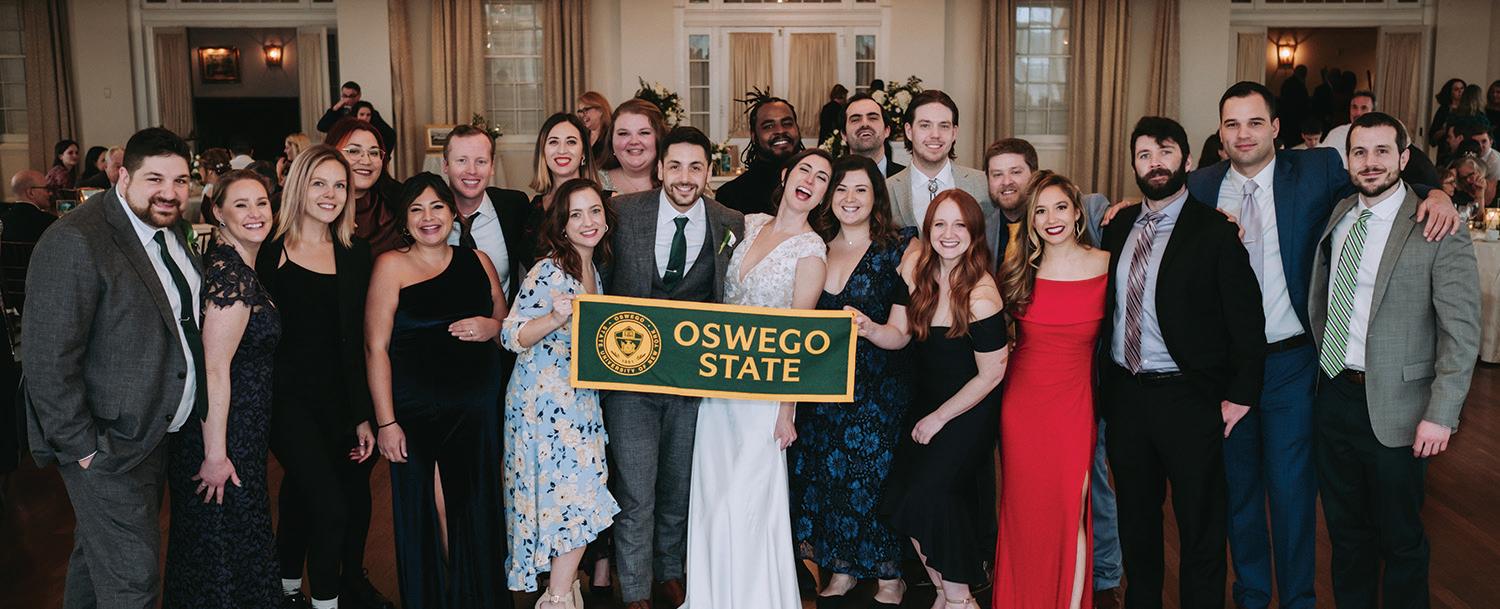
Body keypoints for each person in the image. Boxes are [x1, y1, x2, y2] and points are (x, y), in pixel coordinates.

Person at [1181, 81, 1458, 609]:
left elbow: (1386, 171)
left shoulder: (1316, 169)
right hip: (1227, 370)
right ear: (1220, 132)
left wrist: (1437, 193)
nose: (1244, 134)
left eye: (1255, 122)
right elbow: (1158, 206)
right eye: (1232, 124)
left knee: (1292, 495)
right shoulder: (1200, 185)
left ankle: (1299, 601)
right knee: (1238, 492)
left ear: (1275, 128)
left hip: (1292, 363)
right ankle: (1252, 595)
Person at [24, 127, 202, 609]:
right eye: (155, 179)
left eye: (180, 180)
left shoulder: (169, 228)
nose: (170, 192)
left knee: (94, 560)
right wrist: (84, 448)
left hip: (155, 432)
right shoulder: (76, 239)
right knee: (134, 581)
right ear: (123, 177)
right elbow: (47, 358)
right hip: (105, 441)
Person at [1311, 111, 1480, 609]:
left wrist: (1442, 413)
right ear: (1347, 161)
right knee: (1346, 536)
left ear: (1404, 158)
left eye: (1383, 151)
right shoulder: (1339, 213)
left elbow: (1461, 331)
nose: (1371, 162)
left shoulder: (1436, 224)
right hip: (1333, 396)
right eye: (1360, 152)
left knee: (1401, 539)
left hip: (1400, 409)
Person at [1101, 116, 1265, 609]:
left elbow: (1246, 319)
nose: (1155, 163)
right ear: (1134, 166)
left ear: (1188, 161)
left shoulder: (1215, 230)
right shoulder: (1117, 226)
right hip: (1127, 397)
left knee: (1200, 525)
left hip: (1189, 398)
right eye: (1144, 155)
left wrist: (1241, 394)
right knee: (1136, 522)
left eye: (1165, 151)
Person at [682, 147, 831, 609]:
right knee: (712, 497)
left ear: (823, 196)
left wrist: (787, 411)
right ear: (786, 175)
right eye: (805, 170)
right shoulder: (747, 225)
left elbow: (798, 340)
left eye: (822, 178)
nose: (810, 180)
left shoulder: (812, 251)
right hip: (719, 387)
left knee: (744, 501)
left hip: (764, 397)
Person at [605, 126, 744, 609]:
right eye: (676, 166)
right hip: (628, 379)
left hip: (691, 380)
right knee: (635, 491)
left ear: (709, 172)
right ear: (660, 168)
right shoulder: (622, 213)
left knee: (679, 486)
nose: (685, 178)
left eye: (696, 167)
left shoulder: (730, 222)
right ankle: (635, 589)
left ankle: (669, 572)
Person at [366, 172, 510, 609]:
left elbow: (508, 326)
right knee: (436, 507)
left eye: (437, 207)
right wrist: (386, 422)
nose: (428, 217)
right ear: (404, 220)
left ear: (452, 213)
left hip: (477, 407)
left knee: (476, 502)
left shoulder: (478, 260)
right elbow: (375, 348)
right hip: (418, 411)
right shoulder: (390, 265)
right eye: (416, 209)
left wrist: (491, 327)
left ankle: (480, 598)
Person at [255, 145, 390, 609]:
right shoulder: (269, 251)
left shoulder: (356, 253)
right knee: (331, 507)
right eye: (319, 183)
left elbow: (356, 341)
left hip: (339, 402)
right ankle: (325, 603)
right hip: (285, 402)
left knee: (300, 494)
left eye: (339, 185)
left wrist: (363, 415)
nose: (330, 194)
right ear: (299, 187)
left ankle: (287, 590)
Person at [790, 155, 915, 608]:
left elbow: (902, 332)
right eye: (841, 189)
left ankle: (889, 574)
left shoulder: (900, 248)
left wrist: (871, 329)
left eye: (861, 189)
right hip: (822, 390)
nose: (849, 198)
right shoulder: (815, 246)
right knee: (827, 478)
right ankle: (840, 568)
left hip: (878, 390)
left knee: (873, 480)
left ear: (876, 196)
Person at [881, 188, 1007, 609]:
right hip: (928, 400)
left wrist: (939, 418)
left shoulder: (982, 294)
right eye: (940, 224)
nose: (949, 234)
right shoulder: (920, 274)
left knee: (930, 495)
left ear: (974, 233)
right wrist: (866, 327)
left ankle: (959, 598)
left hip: (968, 409)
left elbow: (992, 374)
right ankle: (943, 591)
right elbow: (898, 334)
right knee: (900, 495)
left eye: (959, 225)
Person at [162, 169, 281, 609]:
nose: (255, 213)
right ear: (218, 212)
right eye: (241, 205)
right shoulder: (231, 276)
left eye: (261, 203)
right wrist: (215, 455)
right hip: (221, 436)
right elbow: (213, 368)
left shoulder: (237, 267)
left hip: (239, 432)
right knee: (222, 550)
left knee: (230, 543)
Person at [992, 170, 1110, 609]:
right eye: (1040, 211)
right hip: (1022, 408)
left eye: (1060, 207)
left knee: (1068, 512)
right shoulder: (1018, 270)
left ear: (1078, 212)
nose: (1051, 219)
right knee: (1024, 515)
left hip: (1074, 407)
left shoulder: (1107, 263)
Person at [501, 178, 621, 607]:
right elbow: (510, 335)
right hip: (543, 407)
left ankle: (560, 595)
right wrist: (553, 318)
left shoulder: (593, 270)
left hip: (579, 405)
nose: (588, 222)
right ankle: (557, 598)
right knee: (573, 504)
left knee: (578, 505)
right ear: (562, 225)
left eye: (595, 211)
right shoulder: (549, 271)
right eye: (576, 214)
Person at [442, 124, 530, 301]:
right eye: (462, 161)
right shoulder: (430, 218)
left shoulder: (514, 207)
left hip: (504, 316)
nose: (472, 170)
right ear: (445, 165)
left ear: (492, 167)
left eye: (481, 161)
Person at [887, 90, 992, 233]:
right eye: (925, 125)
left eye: (944, 126)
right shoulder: (887, 190)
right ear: (909, 131)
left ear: (954, 133)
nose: (935, 135)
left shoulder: (983, 184)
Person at [1319, 90, 1441, 188]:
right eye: (1354, 107)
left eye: (1364, 108)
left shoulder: (1387, 132)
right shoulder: (1336, 134)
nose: (1358, 113)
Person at [522, 113, 597, 272]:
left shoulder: (609, 203)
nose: (562, 150)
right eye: (553, 142)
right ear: (543, 152)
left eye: (571, 142)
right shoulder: (531, 209)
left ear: (584, 153)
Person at [327, 117, 405, 256]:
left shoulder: (400, 201)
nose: (366, 161)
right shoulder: (316, 209)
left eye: (374, 153)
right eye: (354, 151)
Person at [716, 93, 804, 216]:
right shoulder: (731, 195)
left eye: (787, 123)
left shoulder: (816, 184)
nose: (780, 130)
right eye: (769, 126)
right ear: (754, 136)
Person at [599, 99, 666, 195]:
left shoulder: (676, 181)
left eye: (644, 133)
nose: (634, 141)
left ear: (658, 138)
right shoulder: (594, 182)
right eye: (624, 133)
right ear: (611, 140)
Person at [318, 80, 398, 148]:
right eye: (345, 96)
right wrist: (335, 109)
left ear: (359, 95)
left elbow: (390, 135)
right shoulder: (338, 112)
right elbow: (322, 127)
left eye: (352, 96)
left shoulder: (367, 112)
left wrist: (383, 155)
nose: (348, 99)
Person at [843, 92, 905, 178]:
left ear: (886, 131)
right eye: (855, 119)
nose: (865, 124)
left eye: (873, 118)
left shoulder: (908, 178)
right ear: (844, 134)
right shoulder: (830, 178)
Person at [6, 170, 58, 240]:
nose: (50, 193)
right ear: (31, 193)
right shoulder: (51, 223)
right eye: (46, 189)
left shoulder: (3, 222)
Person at [577, 91, 614, 168]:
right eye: (580, 111)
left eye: (586, 110)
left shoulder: (612, 135)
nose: (582, 115)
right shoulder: (582, 135)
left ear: (600, 110)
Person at [196, 148, 233, 225]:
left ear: (210, 172)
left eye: (200, 167)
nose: (199, 171)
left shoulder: (210, 193)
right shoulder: (208, 191)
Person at [1427, 78, 1465, 151]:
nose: (1460, 91)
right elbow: (1432, 136)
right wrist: (1444, 131)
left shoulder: (1468, 109)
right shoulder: (1443, 110)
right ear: (1450, 92)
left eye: (1462, 88)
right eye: (1456, 89)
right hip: (1445, 149)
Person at [44, 139, 80, 204]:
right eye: (70, 153)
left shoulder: (62, 170)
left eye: (76, 153)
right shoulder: (61, 172)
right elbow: (66, 197)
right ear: (60, 156)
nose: (75, 156)